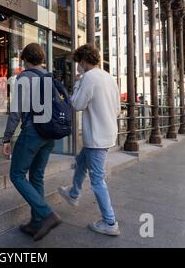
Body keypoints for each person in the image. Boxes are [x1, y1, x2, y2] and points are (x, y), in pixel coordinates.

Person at [58, 44, 121, 237]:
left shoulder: (88, 77)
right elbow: (118, 108)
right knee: (80, 162)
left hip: (96, 137)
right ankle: (74, 193)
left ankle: (110, 221)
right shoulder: (108, 77)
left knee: (97, 180)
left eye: (78, 63)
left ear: (83, 61)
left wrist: (77, 83)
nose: (78, 66)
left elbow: (76, 104)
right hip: (107, 134)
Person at [3, 43, 62, 242]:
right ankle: (36, 223)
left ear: (24, 59)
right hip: (49, 134)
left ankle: (46, 214)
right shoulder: (49, 77)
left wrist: (7, 137)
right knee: (37, 177)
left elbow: (16, 111)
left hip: (32, 132)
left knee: (17, 174)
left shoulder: (24, 78)